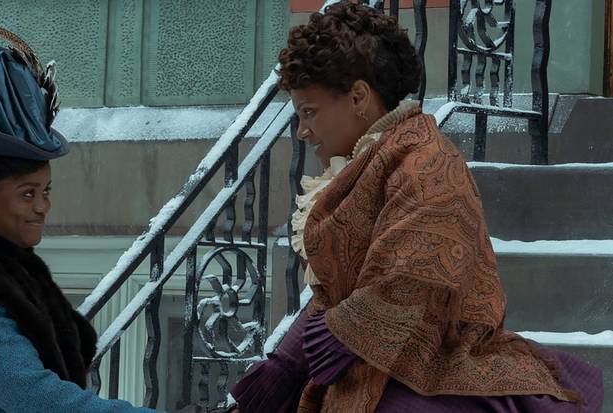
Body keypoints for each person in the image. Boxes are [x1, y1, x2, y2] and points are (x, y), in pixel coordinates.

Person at [229, 3, 603, 412]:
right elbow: (342, 290)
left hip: (438, 363)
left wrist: (337, 335)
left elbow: (418, 275)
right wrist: (286, 364)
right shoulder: (375, 162)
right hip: (381, 356)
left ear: (358, 97)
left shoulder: (426, 163)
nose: (302, 131)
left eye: (309, 112)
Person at [0, 24, 162, 413]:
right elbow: (40, 399)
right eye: (27, 194)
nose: (43, 207)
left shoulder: (17, 275)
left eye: (46, 192)